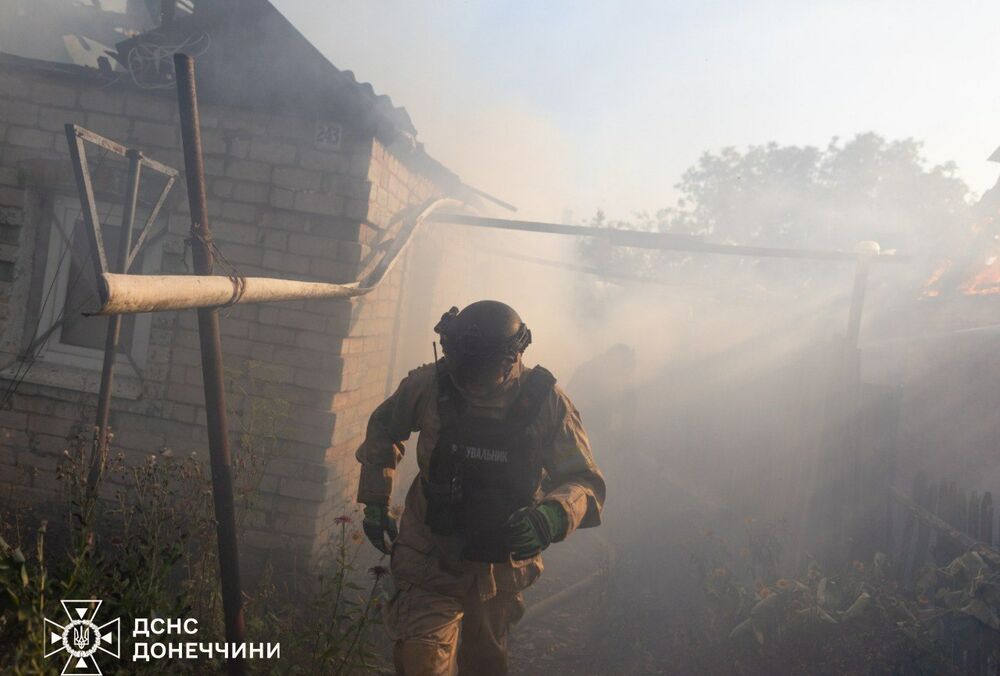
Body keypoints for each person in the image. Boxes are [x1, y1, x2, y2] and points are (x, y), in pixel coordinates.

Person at [355, 300, 606, 675]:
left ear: (512, 357)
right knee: (421, 659)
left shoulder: (546, 402)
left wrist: (552, 517)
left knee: (484, 662)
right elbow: (383, 430)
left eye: (478, 369)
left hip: (498, 567)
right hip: (430, 555)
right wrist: (375, 499)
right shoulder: (428, 384)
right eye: (459, 365)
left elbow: (583, 480)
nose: (466, 378)